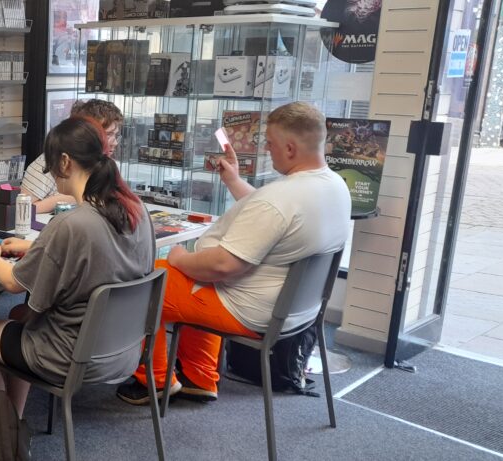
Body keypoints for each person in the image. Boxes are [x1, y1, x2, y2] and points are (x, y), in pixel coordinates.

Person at [114, 102, 352, 405]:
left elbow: (223, 266)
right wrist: (234, 181)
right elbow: (279, 217)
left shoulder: (280, 198)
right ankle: (198, 378)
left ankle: (155, 380)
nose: (266, 149)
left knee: (145, 281)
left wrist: (179, 258)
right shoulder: (333, 186)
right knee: (190, 278)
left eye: (270, 142)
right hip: (296, 311)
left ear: (290, 148)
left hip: (247, 309)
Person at [0, 116, 154, 416]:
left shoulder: (71, 223)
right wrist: (37, 247)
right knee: (20, 315)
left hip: (65, 355)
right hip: (123, 353)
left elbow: (11, 283)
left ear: (64, 162)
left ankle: (2, 429)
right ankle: (14, 421)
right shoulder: (136, 210)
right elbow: (98, 255)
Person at [21, 99, 123, 213]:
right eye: (108, 134)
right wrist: (72, 197)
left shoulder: (104, 164)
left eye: (116, 135)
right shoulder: (50, 161)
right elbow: (24, 208)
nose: (115, 143)